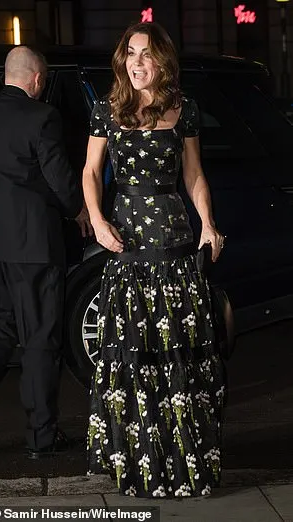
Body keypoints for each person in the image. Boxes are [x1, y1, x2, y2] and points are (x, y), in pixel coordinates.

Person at [83, 23, 226, 498]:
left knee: (177, 356)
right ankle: (139, 464)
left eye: (145, 54)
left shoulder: (183, 111)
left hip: (175, 246)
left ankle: (185, 465)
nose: (137, 62)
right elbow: (89, 171)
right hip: (128, 247)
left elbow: (195, 176)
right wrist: (99, 221)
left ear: (162, 61)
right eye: (130, 53)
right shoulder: (106, 110)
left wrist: (207, 222)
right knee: (134, 359)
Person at [0, 46, 89, 459]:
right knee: (40, 339)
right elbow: (60, 180)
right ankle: (41, 435)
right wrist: (79, 210)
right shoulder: (42, 117)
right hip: (35, 247)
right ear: (36, 80)